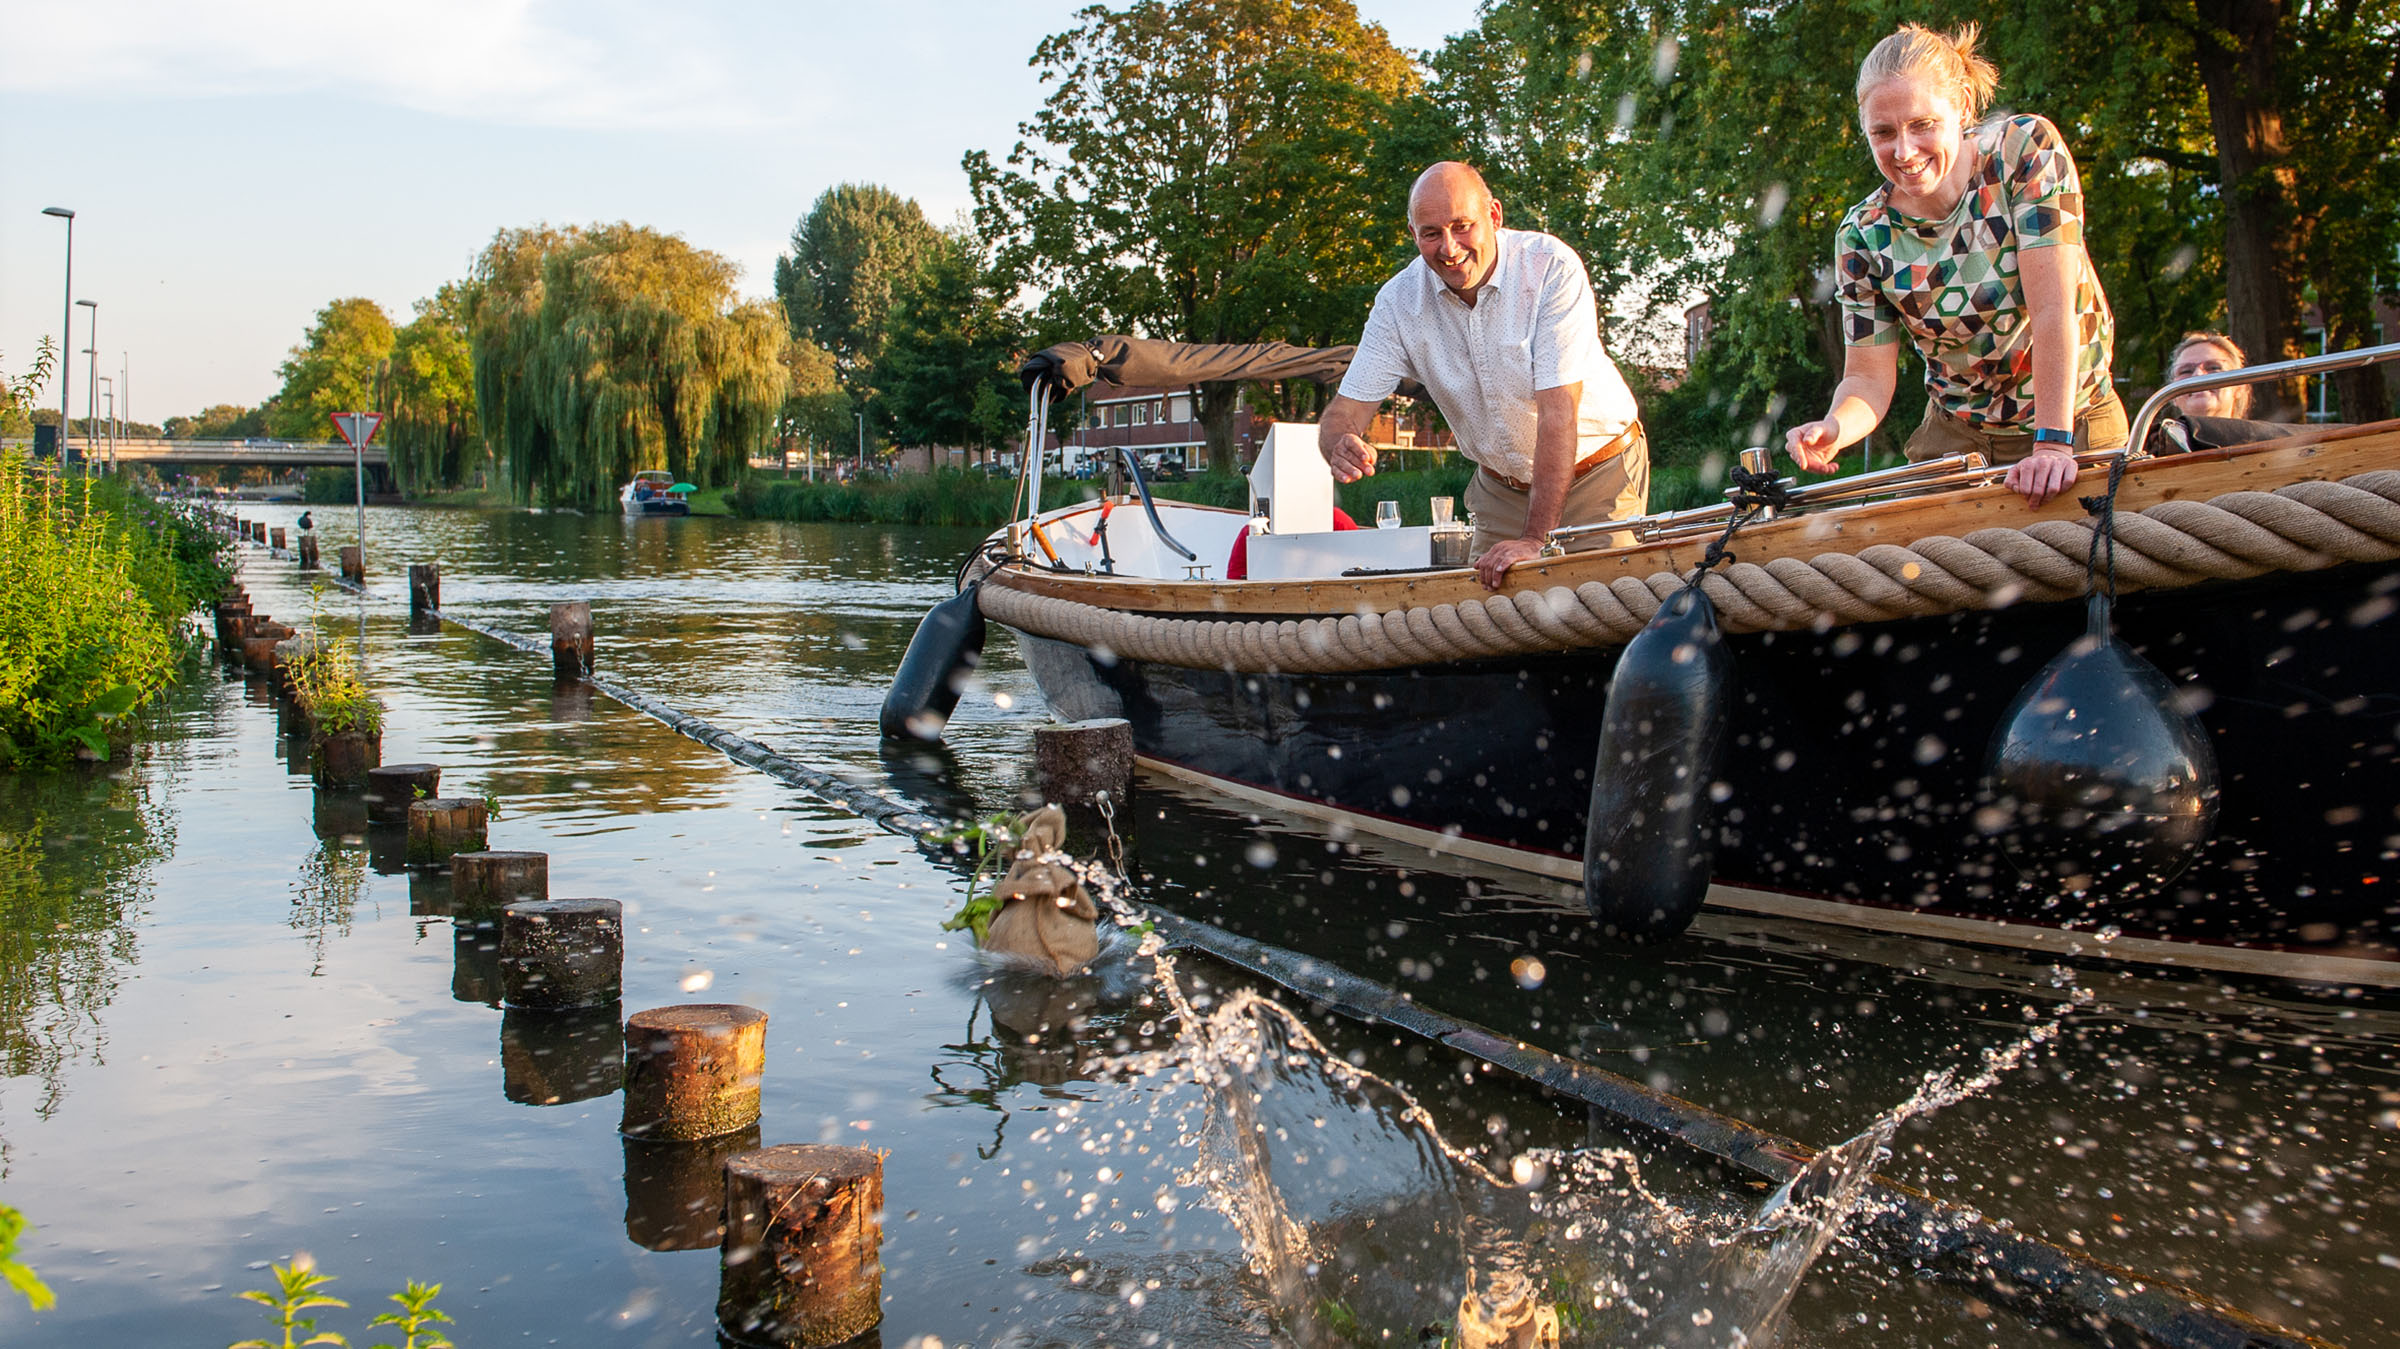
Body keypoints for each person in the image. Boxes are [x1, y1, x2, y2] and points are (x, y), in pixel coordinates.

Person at [1785, 24, 2123, 509]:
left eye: (1922, 125)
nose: (1904, 152)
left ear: (1963, 105)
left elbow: (2053, 310)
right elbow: (1867, 380)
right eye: (1883, 133)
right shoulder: (1862, 234)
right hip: (1957, 434)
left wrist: (2051, 445)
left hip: (2073, 420)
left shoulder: (2023, 153)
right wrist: (1836, 426)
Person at [1318, 161, 1648, 590]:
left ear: (1494, 215)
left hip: (1598, 472)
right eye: (1432, 233)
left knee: (1605, 608)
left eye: (1462, 226)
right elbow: (1343, 414)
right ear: (1413, 234)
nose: (1450, 248)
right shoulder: (1398, 303)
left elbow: (1557, 415)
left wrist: (1535, 540)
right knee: (1485, 627)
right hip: (1500, 488)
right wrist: (1338, 444)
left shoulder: (1551, 268)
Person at [2165, 331, 2251, 420]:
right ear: (2172, 395)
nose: (2198, 374)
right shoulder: (2152, 432)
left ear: (2239, 386)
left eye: (2213, 368)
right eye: (2186, 371)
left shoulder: (2262, 433)